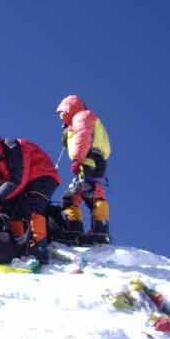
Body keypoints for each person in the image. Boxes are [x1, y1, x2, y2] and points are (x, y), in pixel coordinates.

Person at [0, 127, 59, 261]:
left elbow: (18, 179)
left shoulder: (12, 147)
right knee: (11, 210)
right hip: (20, 183)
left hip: (43, 175)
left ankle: (38, 247)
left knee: (33, 205)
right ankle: (19, 245)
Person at [55, 94, 112, 244]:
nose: (61, 117)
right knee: (71, 198)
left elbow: (83, 136)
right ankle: (75, 229)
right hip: (89, 162)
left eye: (62, 113)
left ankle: (100, 231)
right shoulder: (77, 121)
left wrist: (77, 159)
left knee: (91, 193)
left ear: (69, 108)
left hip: (90, 161)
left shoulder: (82, 116)